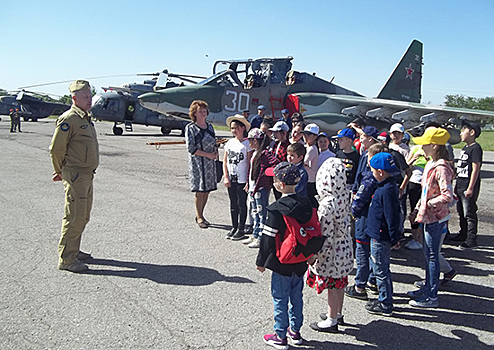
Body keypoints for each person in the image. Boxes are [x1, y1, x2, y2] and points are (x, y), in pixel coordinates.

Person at [256, 162, 313, 349]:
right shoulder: (307, 203)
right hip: (301, 258)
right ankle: (295, 331)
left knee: (280, 298)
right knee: (297, 296)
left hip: (282, 260)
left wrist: (261, 261)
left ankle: (280, 334)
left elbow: (268, 238)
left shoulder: (276, 208)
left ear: (279, 184)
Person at [49, 80, 98, 273]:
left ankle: (74, 250)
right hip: (76, 174)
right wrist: (60, 171)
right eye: (85, 96)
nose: (89, 99)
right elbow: (56, 149)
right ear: (74, 98)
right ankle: (67, 259)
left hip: (86, 174)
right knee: (74, 216)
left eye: (90, 95)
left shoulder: (85, 118)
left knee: (83, 216)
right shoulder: (69, 119)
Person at [408, 127, 454, 308]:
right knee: (428, 255)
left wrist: (428, 205)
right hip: (428, 217)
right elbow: (425, 192)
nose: (421, 147)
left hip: (436, 219)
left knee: (432, 256)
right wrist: (419, 207)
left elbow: (447, 196)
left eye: (425, 144)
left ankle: (432, 296)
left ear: (434, 146)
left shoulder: (442, 168)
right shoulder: (430, 163)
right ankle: (427, 287)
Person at [307, 158, 353, 333]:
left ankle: (332, 319)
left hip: (332, 252)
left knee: (333, 285)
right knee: (340, 282)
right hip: (344, 247)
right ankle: (338, 313)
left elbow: (325, 236)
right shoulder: (344, 195)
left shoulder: (327, 205)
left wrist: (315, 256)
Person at [346, 143, 385, 301]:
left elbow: (359, 200)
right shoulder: (386, 178)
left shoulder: (369, 178)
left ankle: (359, 285)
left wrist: (352, 211)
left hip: (364, 219)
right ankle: (373, 280)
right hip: (377, 221)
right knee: (374, 254)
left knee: (362, 251)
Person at [364, 152, 401, 316]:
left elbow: (392, 216)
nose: (372, 173)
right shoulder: (386, 186)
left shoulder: (386, 190)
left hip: (381, 237)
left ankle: (385, 303)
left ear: (380, 172)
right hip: (376, 234)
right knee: (380, 268)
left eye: (373, 170)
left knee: (381, 270)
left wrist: (394, 237)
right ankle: (382, 297)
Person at [185, 100, 218, 229]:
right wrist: (207, 154)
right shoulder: (191, 128)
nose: (203, 114)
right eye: (200, 111)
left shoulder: (209, 127)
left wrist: (214, 152)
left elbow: (214, 142)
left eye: (204, 111)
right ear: (194, 113)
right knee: (199, 190)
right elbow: (191, 148)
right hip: (198, 164)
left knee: (207, 190)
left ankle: (202, 214)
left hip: (210, 164)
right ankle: (199, 216)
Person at [244, 128, 279, 248]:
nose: (249, 142)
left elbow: (276, 163)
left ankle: (261, 237)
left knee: (261, 213)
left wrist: (266, 173)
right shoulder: (255, 153)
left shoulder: (265, 153)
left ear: (255, 140)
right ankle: (255, 234)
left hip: (261, 187)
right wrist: (248, 184)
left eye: (250, 140)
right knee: (255, 213)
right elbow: (251, 170)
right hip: (253, 187)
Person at [451, 120, 483, 249]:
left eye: (463, 131)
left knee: (469, 212)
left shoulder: (475, 148)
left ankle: (471, 239)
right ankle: (463, 233)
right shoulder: (465, 148)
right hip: (460, 183)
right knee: (460, 210)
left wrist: (470, 187)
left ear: (472, 132)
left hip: (468, 184)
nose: (461, 133)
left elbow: (475, 168)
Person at [223, 114, 252, 241]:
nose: (234, 130)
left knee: (241, 203)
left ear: (242, 128)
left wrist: (248, 181)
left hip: (242, 180)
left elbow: (250, 163)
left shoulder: (247, 144)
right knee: (233, 204)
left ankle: (241, 228)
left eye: (236, 128)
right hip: (231, 178)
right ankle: (234, 226)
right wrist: (226, 177)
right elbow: (225, 161)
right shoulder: (230, 143)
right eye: (232, 128)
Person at [405, 144, 428, 250]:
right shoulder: (415, 148)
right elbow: (406, 165)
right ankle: (415, 237)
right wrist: (414, 157)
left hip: (426, 184)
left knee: (423, 210)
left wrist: (427, 158)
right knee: (414, 209)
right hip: (414, 182)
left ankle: (422, 238)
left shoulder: (431, 149)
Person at [269, 121, 291, 200]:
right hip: (274, 174)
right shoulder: (275, 144)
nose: (275, 134)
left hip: (282, 175)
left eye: (277, 132)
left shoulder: (288, 146)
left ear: (284, 133)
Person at [303, 123, 320, 208]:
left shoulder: (312, 149)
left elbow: (303, 162)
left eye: (308, 134)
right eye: (304, 134)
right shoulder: (307, 147)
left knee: (309, 203)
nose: (305, 136)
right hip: (306, 179)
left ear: (315, 137)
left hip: (309, 180)